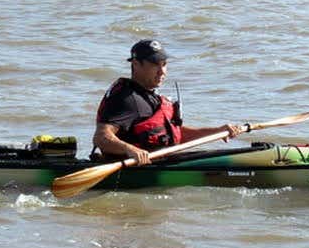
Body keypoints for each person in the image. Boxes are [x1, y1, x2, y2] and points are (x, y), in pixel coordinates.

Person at [92, 39, 242, 165]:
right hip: (135, 168)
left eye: (164, 64)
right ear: (136, 64)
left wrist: (218, 131)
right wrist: (130, 149)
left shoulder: (150, 96)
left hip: (163, 160)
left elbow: (176, 135)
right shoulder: (126, 98)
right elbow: (101, 137)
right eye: (155, 64)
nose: (162, 71)